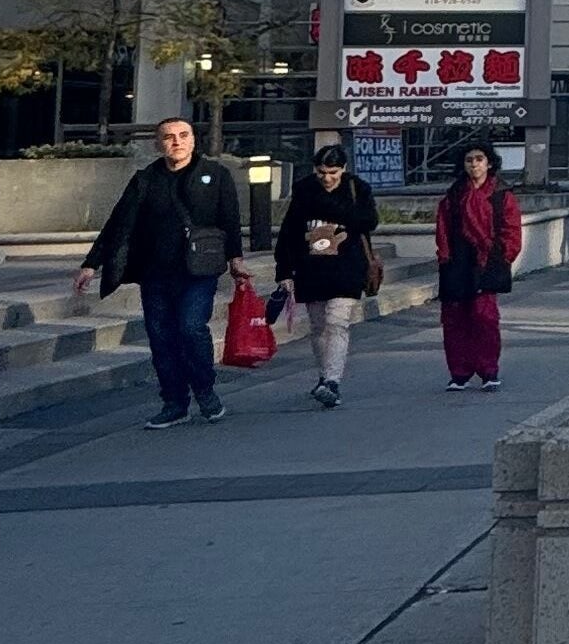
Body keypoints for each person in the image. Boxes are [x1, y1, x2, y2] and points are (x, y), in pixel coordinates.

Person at [77, 117, 247, 429]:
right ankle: (174, 401)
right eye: (169, 137)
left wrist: (236, 260)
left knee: (191, 327)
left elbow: (230, 220)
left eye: (183, 135)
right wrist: (92, 263)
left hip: (198, 270)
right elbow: (119, 222)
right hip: (155, 272)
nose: (177, 142)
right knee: (161, 337)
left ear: (194, 140)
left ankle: (205, 390)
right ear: (159, 144)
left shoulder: (215, 174)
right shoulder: (146, 179)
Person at [273, 144, 380, 410]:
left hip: (347, 265)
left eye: (332, 172)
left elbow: (370, 221)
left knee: (337, 322)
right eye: (321, 172)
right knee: (319, 325)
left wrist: (333, 213)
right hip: (312, 266)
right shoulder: (304, 189)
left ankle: (332, 381)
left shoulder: (358, 188)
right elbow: (289, 231)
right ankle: (324, 374)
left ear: (343, 169)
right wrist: (284, 270)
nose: (327, 178)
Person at [435, 142, 522, 391]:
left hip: (487, 260)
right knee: (455, 319)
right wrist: (445, 257)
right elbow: (442, 229)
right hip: (457, 261)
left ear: (489, 163)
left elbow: (511, 229)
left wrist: (503, 256)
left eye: (479, 159)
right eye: (469, 160)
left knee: (485, 318)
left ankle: (488, 370)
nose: (474, 164)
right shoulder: (453, 196)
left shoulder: (501, 195)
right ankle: (459, 372)